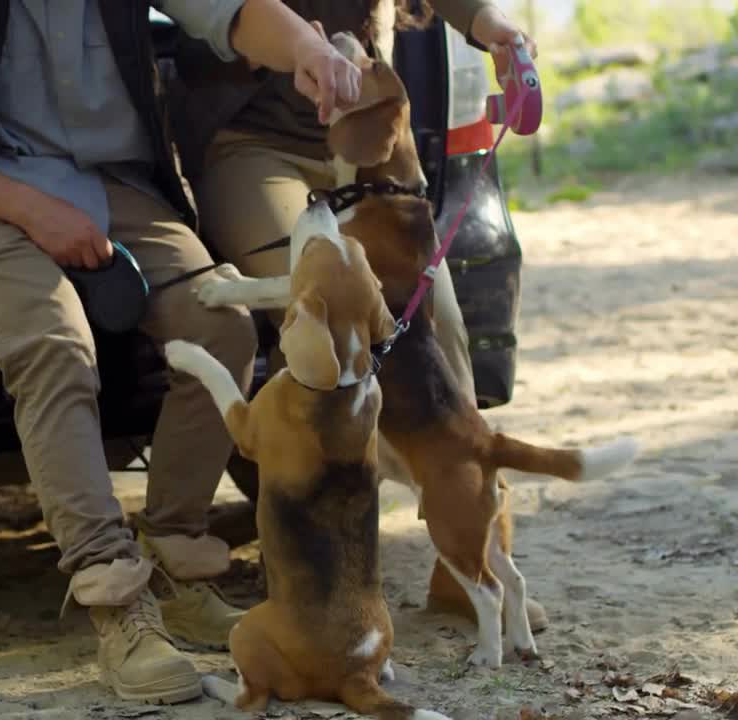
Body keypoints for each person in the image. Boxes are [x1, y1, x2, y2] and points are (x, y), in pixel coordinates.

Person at [0, 0, 362, 705]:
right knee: (55, 345)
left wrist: (307, 47)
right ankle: (118, 603)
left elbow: (232, 11)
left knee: (220, 327)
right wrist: (31, 210)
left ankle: (176, 561)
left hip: (116, 183)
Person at [177, 0, 551, 628]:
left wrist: (491, 24)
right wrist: (302, 47)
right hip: (258, 145)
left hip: (370, 147)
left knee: (447, 330)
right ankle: (313, 573)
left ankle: (473, 558)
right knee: (318, 316)